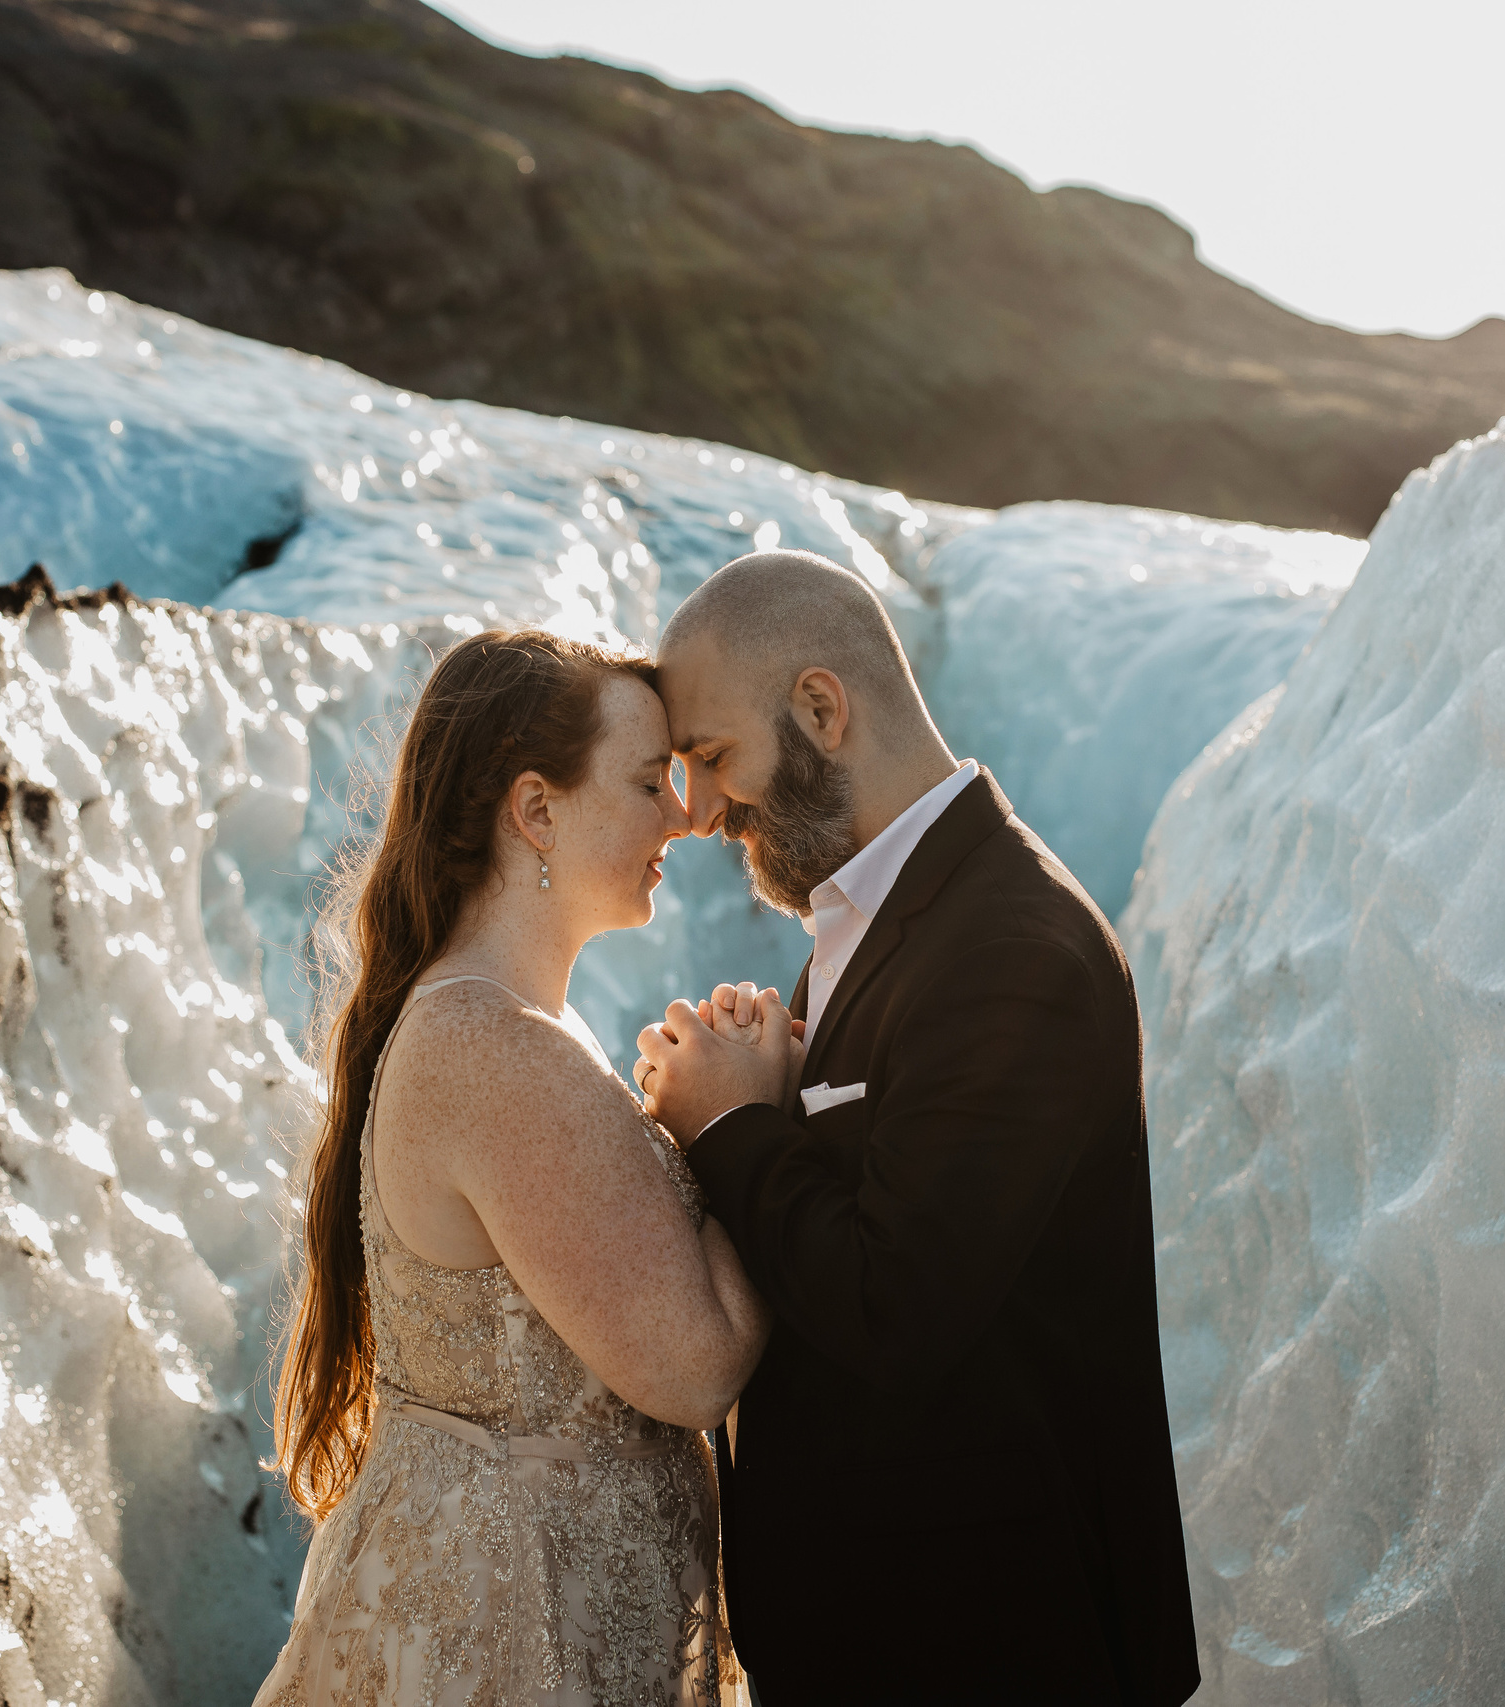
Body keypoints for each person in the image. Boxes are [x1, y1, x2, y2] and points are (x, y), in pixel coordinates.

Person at [633, 551, 1201, 1704]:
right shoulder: (877, 915)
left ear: (819, 710)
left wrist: (735, 1121)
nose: (695, 810)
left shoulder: (1011, 952)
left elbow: (895, 1304)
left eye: (711, 756)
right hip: (894, 1632)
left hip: (988, 1642)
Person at [256, 629, 771, 1707]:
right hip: (514, 1630)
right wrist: (738, 1122)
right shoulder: (493, 1049)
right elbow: (697, 1367)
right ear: (535, 812)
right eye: (644, 782)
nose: (682, 813)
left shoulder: (508, 1026)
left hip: (524, 1606)